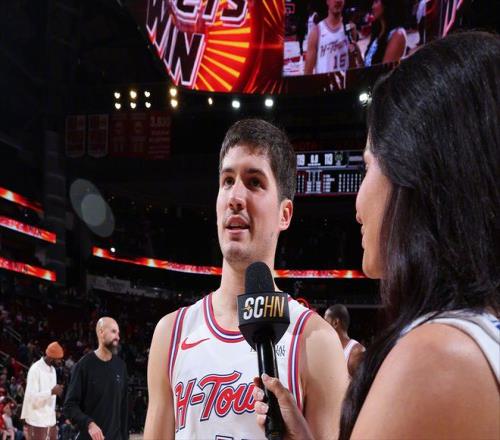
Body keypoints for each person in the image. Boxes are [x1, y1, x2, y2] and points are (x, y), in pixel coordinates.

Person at [253, 31, 500, 439]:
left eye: (368, 165)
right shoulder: (478, 334)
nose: (358, 201)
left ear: (414, 171)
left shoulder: (436, 358)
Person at [145, 119, 348, 439]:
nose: (235, 197)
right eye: (227, 181)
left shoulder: (316, 342)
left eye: (254, 182)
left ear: (284, 214)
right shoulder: (171, 334)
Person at [64, 317, 128, 440]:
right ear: (101, 332)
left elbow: (124, 409)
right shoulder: (83, 366)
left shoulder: (121, 366)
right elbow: (69, 406)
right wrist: (89, 424)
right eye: (113, 331)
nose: (118, 337)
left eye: (118, 333)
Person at [20, 341, 64, 440]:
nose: (60, 362)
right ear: (51, 357)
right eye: (58, 359)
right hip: (37, 420)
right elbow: (32, 398)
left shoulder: (53, 370)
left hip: (50, 420)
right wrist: (51, 392)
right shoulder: (35, 369)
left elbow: (51, 397)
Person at [304, 0, 360, 75]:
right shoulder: (317, 31)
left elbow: (353, 67)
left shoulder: (349, 29)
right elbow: (308, 71)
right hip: (323, 82)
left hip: (344, 81)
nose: (338, 1)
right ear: (327, 1)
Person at [324, 305, 365, 377]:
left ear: (335, 323)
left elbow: (364, 383)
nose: (323, 327)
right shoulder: (327, 350)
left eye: (325, 322)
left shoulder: (356, 352)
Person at [364, 0, 408, 66]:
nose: (372, 7)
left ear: (386, 4)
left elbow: (384, 71)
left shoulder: (397, 34)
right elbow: (367, 64)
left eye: (376, 2)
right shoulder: (378, 31)